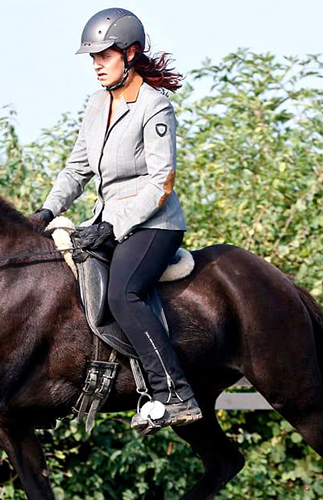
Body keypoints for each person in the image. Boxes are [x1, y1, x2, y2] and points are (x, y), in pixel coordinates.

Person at [30, 7, 201, 435]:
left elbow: (161, 181)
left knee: (125, 294)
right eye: (93, 58)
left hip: (153, 224)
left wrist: (113, 225)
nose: (97, 66)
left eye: (104, 56)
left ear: (130, 53)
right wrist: (46, 211)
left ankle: (175, 394)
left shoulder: (154, 106)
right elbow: (76, 169)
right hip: (108, 220)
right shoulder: (95, 104)